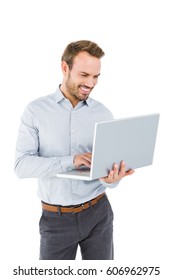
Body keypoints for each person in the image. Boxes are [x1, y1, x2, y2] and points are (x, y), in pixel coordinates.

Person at [14, 40, 134, 260]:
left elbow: (106, 175)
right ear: (64, 68)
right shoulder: (35, 111)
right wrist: (72, 160)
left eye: (96, 77)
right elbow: (21, 166)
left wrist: (113, 178)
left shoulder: (103, 114)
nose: (91, 83)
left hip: (99, 213)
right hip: (56, 219)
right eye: (84, 75)